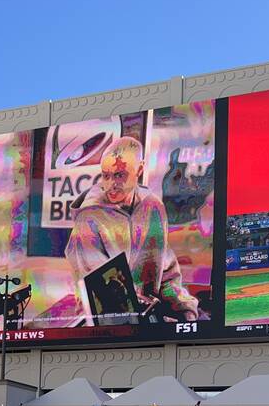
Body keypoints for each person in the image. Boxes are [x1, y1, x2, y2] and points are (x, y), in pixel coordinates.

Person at [65, 137, 200, 324]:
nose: (111, 184)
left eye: (119, 175)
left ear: (140, 170)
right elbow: (105, 299)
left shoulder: (153, 206)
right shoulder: (88, 219)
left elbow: (167, 274)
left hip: (148, 320)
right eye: (105, 175)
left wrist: (186, 311)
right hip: (109, 328)